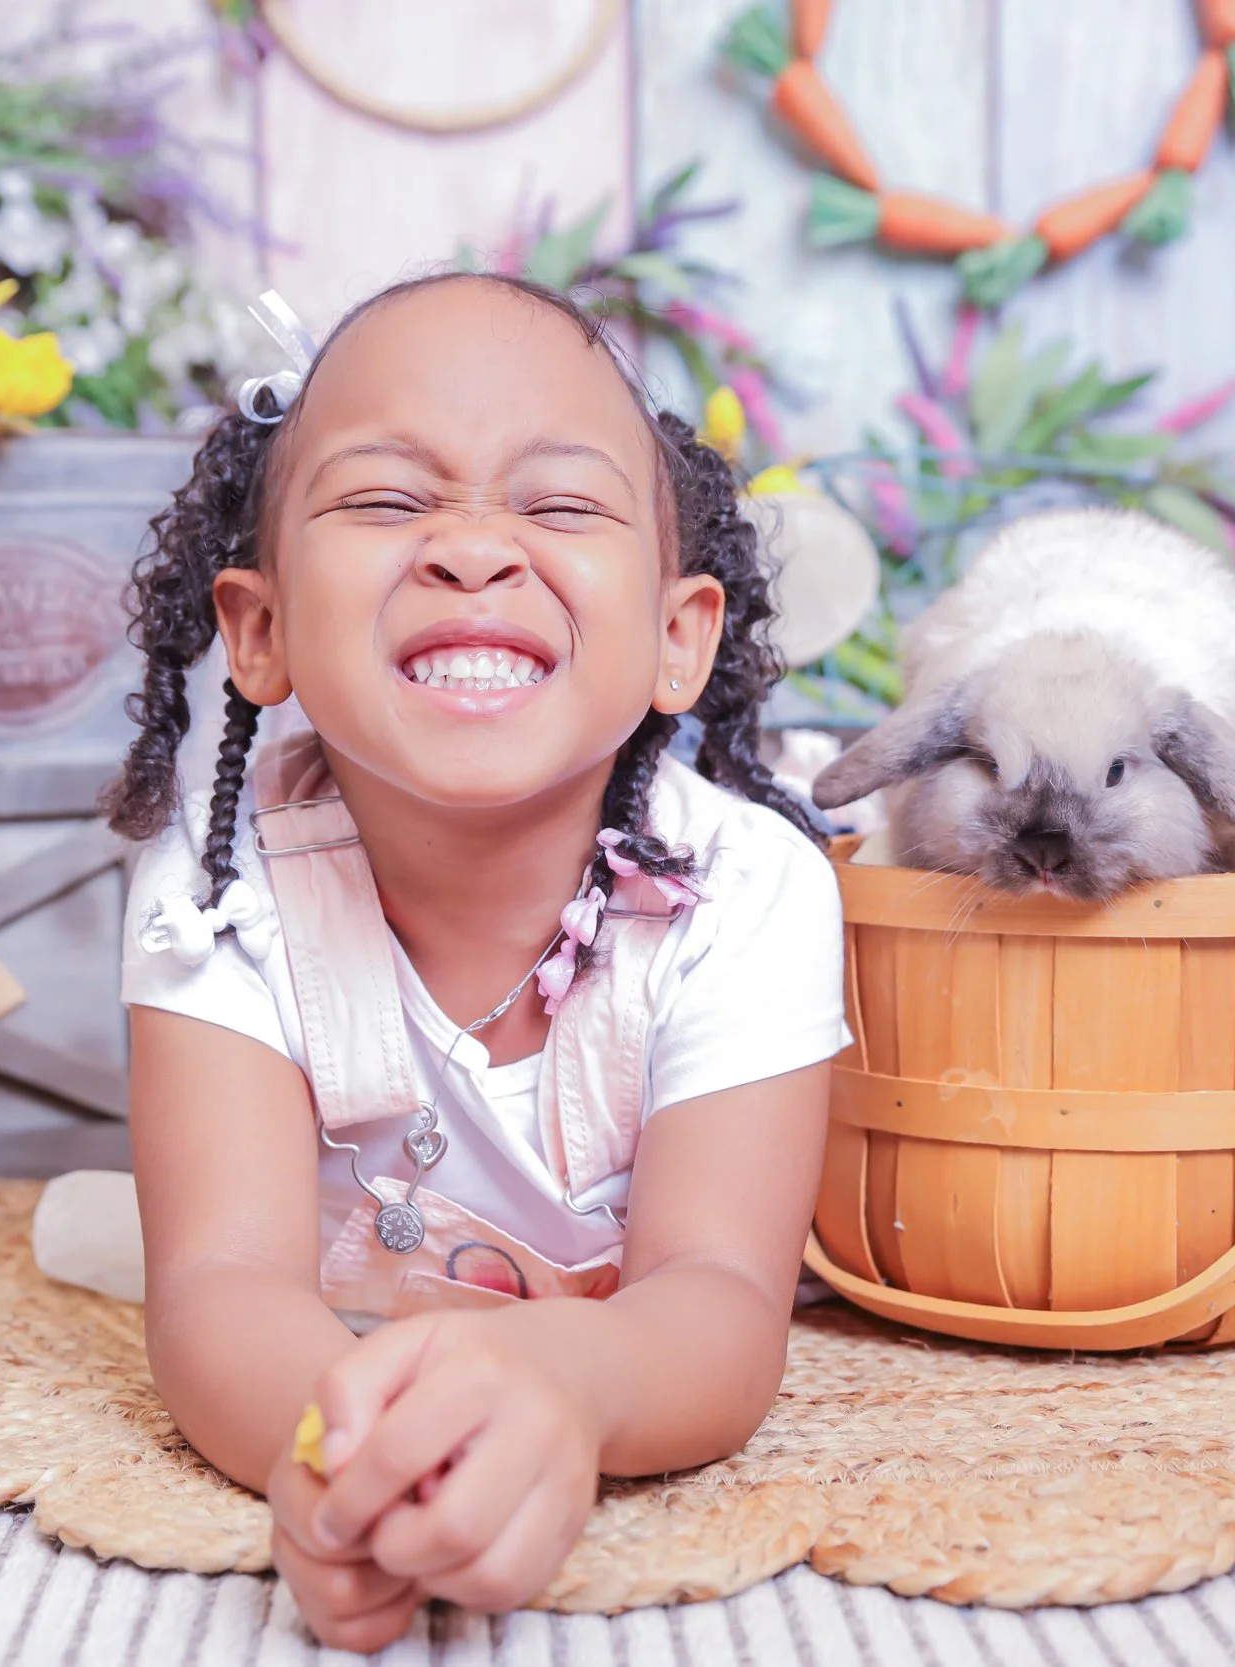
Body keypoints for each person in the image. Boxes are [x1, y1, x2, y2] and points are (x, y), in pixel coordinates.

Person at [106, 272, 847, 1650]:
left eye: (558, 506)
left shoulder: (749, 889)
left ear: (679, 637)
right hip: (345, 1331)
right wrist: (350, 1456)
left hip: (601, 1336)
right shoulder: (219, 892)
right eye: (388, 502)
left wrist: (571, 1383)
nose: (470, 550)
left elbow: (721, 1299)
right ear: (257, 631)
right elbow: (222, 1286)